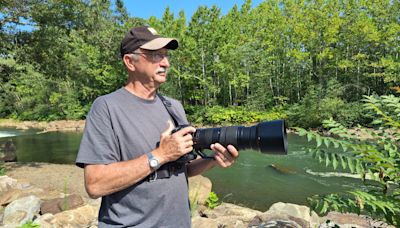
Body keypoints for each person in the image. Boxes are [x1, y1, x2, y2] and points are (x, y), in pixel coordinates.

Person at [75, 26, 239, 227]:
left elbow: (182, 169)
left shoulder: (173, 107)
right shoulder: (106, 107)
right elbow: (95, 184)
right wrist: (160, 155)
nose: (166, 63)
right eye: (155, 55)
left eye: (166, 55)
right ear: (130, 62)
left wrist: (213, 160)